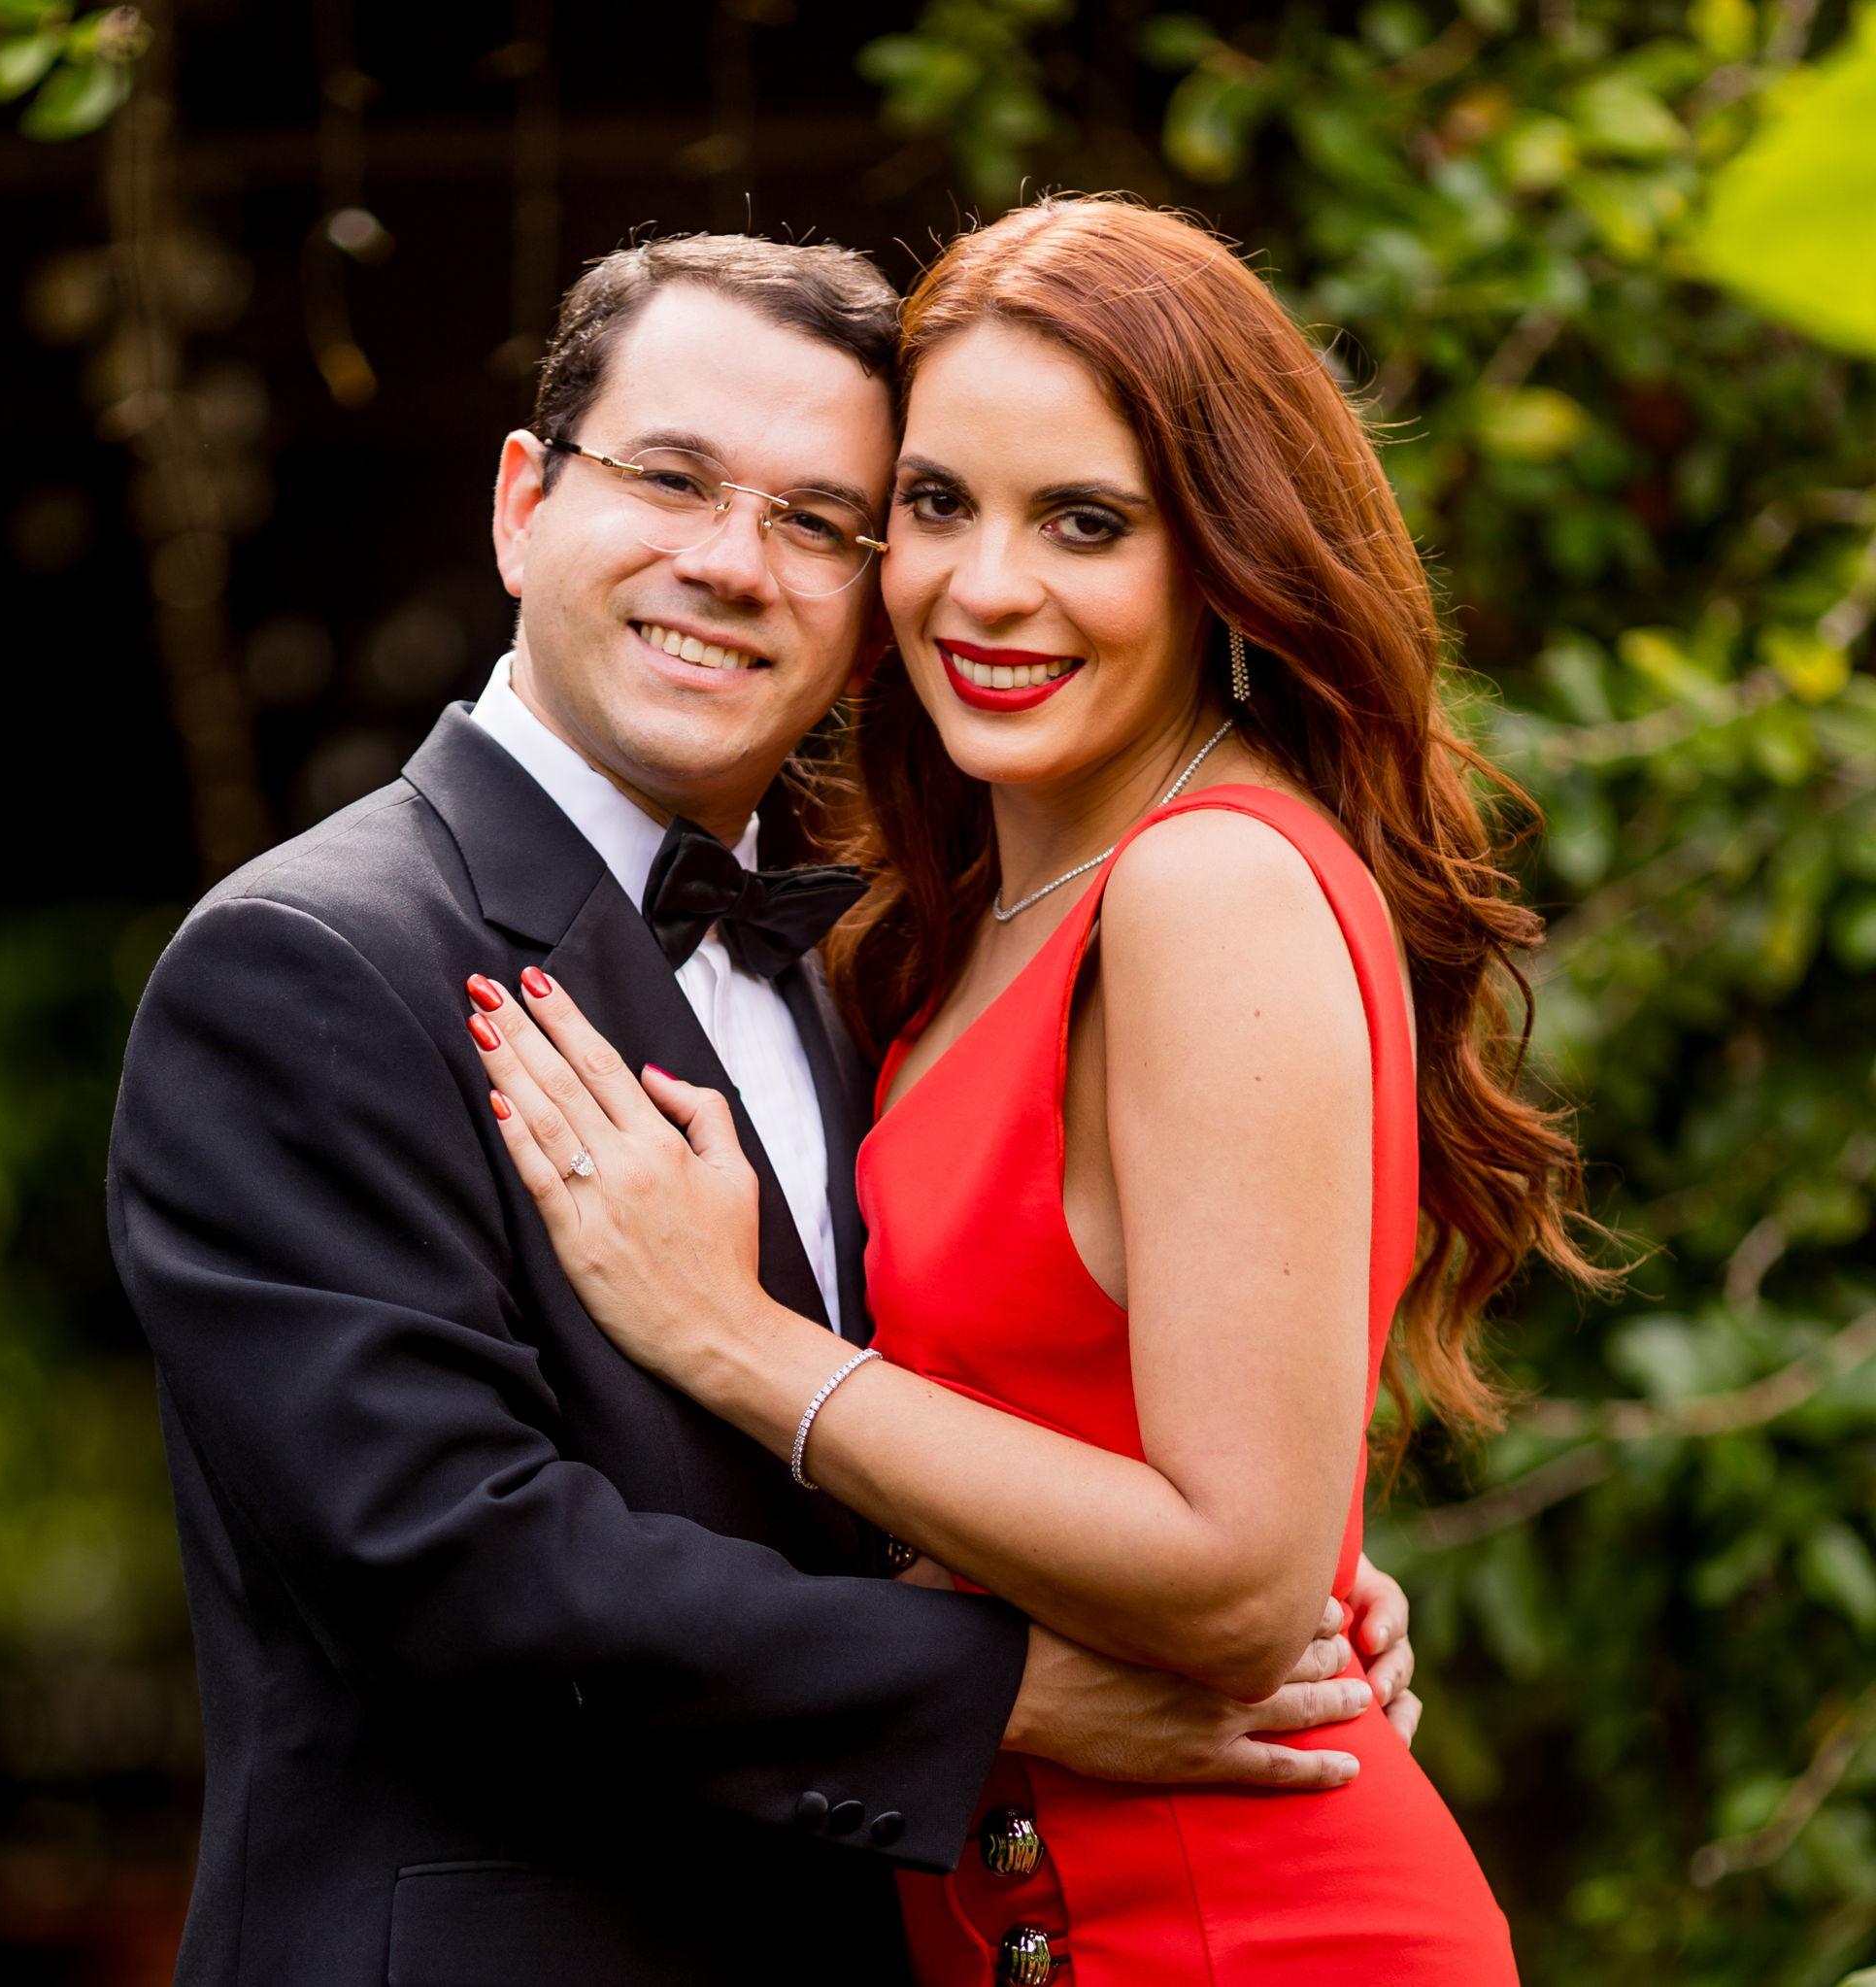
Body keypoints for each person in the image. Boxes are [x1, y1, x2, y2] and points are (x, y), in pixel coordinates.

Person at [107, 231, 1423, 1987]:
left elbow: (972, 1426)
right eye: (672, 479)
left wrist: (1240, 1572)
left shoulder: (874, 968)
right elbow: (452, 1567)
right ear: (523, 505)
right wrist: (1025, 1685)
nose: (732, 563)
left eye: (820, 519)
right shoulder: (308, 961)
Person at [466, 198, 1612, 1984]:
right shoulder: (953, 926)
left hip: (1248, 1925)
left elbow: (1241, 1577)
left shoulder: (1205, 885)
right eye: (935, 505)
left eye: (1086, 521)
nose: (987, 586)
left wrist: (738, 1340)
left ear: (1220, 554)